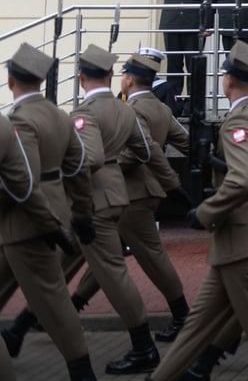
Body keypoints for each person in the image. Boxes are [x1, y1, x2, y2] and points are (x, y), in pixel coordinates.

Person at [148, 42, 248, 381]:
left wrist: (206, 212)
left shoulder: (243, 120)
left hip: (245, 239)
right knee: (197, 326)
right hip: (247, 239)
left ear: (228, 80)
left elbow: (245, 180)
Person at [69, 50, 191, 342]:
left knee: (150, 258)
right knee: (107, 257)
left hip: (132, 191)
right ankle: (67, 307)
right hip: (146, 191)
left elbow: (137, 152)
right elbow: (184, 143)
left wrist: (111, 162)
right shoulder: (161, 109)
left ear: (128, 79)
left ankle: (182, 315)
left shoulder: (132, 110)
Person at [59, 45, 159, 375]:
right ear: (112, 74)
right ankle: (23, 325)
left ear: (81, 75)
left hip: (93, 200)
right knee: (55, 263)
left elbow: (89, 160)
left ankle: (144, 347)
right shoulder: (124, 109)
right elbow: (144, 150)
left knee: (114, 276)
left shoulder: (83, 113)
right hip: (116, 195)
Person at [0, 43, 96, 381]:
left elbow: (20, 183)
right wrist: (82, 213)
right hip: (48, 212)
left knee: (52, 301)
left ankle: (82, 371)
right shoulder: (58, 114)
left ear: (10, 79)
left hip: (27, 220)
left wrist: (48, 223)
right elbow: (78, 168)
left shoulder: (20, 122)